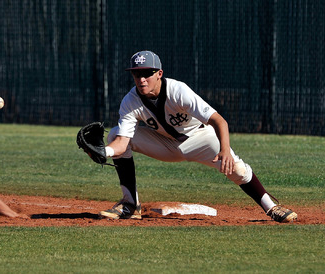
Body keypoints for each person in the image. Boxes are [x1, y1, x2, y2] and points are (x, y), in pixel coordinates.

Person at [98, 50, 297, 223]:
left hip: (199, 138)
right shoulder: (130, 101)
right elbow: (122, 142)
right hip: (165, 144)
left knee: (236, 169)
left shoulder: (178, 91)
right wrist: (103, 151)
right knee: (115, 133)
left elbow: (219, 120)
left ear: (159, 74)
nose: (141, 79)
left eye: (147, 73)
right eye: (136, 73)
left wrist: (225, 150)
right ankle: (130, 204)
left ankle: (271, 207)